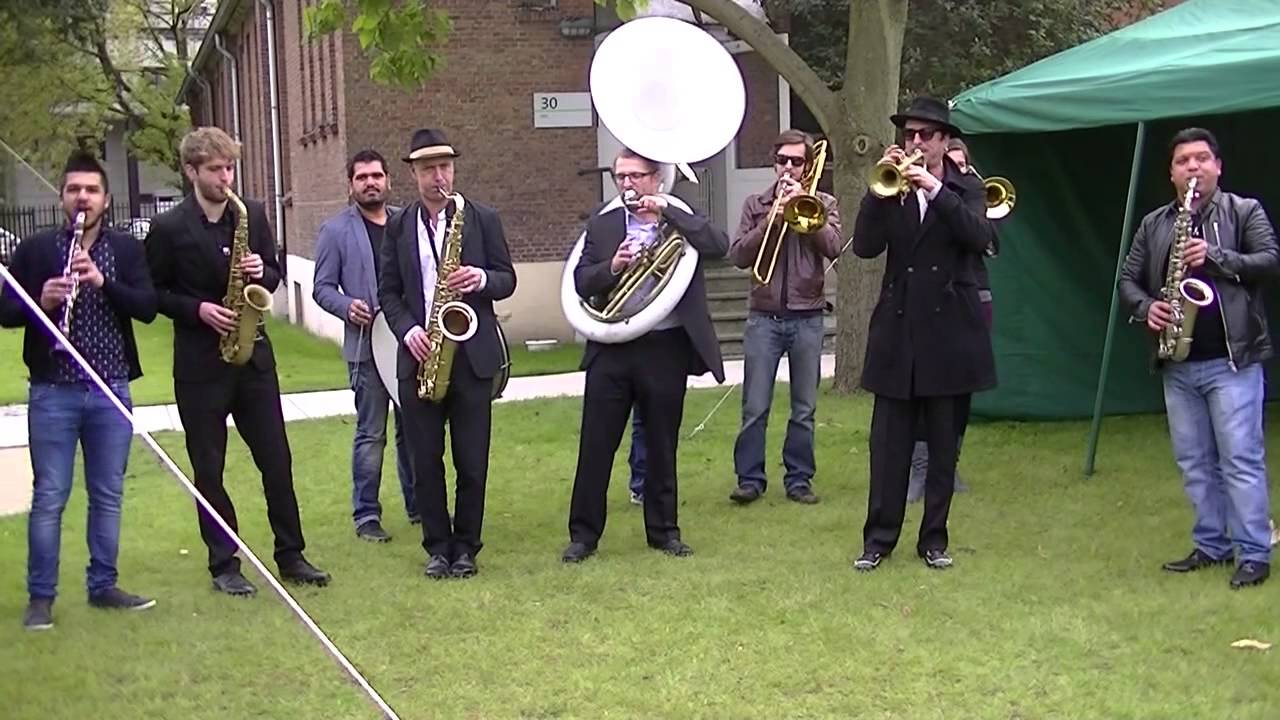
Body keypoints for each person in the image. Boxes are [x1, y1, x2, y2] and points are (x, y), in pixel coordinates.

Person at [146, 127, 330, 596]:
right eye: (215, 169)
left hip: (253, 362)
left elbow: (274, 270)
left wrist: (260, 273)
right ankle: (223, 562)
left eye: (230, 167)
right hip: (200, 365)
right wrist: (198, 309)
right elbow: (153, 294)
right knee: (209, 467)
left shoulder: (251, 215)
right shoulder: (168, 228)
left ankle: (291, 554)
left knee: (277, 460)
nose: (226, 178)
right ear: (191, 171)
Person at [1, 151, 159, 630]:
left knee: (107, 493)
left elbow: (148, 307)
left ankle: (103, 585)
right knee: (50, 494)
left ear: (106, 200)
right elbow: (4, 312)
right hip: (54, 390)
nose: (82, 198)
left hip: (109, 389)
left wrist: (104, 282)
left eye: (91, 190)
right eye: (74, 189)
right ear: (62, 197)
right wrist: (39, 304)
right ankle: (40, 598)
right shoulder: (35, 249)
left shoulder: (126, 251)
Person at [1118, 127, 1277, 589]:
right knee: (1194, 461)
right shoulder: (1155, 223)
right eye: (1184, 160)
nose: (1193, 167)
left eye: (1202, 158)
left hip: (1233, 361)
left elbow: (1269, 261)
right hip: (1178, 361)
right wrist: (1148, 308)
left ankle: (1253, 552)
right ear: (1171, 173)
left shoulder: (1244, 211)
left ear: (1218, 167)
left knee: (1240, 458)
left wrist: (1216, 257)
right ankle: (1212, 544)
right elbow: (1128, 280)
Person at [850, 96, 998, 572]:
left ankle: (933, 539)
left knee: (941, 446)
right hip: (898, 330)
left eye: (925, 136)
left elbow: (981, 239)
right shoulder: (888, 188)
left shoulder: (965, 187)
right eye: (909, 135)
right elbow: (867, 247)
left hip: (951, 330)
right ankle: (878, 540)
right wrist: (876, 193)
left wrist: (935, 188)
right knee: (888, 445)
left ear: (943, 142)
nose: (914, 143)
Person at [561, 148, 729, 563]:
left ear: (657, 178)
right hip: (612, 346)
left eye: (636, 176)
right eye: (621, 177)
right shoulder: (602, 224)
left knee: (661, 443)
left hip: (664, 346)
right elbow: (582, 281)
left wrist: (670, 212)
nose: (627, 185)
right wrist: (613, 267)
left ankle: (664, 532)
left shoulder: (680, 219)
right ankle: (583, 536)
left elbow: (719, 245)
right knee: (596, 444)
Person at [378, 128, 516, 580]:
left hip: (471, 357)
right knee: (425, 461)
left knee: (472, 460)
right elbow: (389, 292)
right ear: (413, 175)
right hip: (420, 356)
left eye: (445, 167)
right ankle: (438, 547)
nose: (440, 177)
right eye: (429, 169)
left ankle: (467, 548)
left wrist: (481, 278)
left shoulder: (482, 218)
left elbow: (506, 279)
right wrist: (408, 330)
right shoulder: (398, 225)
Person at [726, 129, 841, 506]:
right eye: (782, 161)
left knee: (804, 408)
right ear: (774, 164)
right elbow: (739, 255)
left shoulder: (822, 201)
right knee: (755, 405)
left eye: (796, 161)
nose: (788, 168)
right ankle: (750, 480)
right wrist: (772, 220)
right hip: (764, 318)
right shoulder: (756, 204)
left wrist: (805, 210)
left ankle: (799, 480)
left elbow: (835, 247)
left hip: (807, 316)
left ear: (808, 166)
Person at [313, 149, 417, 542]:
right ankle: (367, 516)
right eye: (362, 177)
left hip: (409, 345)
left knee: (414, 430)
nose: (370, 182)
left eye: (376, 175)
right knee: (371, 433)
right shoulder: (335, 231)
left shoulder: (407, 223)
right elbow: (322, 287)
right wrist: (346, 306)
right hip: (366, 350)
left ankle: (418, 506)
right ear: (351, 185)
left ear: (389, 180)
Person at [905, 137, 1000, 503]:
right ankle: (920, 468)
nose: (956, 170)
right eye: (951, 163)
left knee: (961, 386)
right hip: (928, 299)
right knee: (921, 384)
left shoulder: (969, 193)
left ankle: (949, 464)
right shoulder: (917, 193)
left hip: (973, 293)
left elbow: (988, 242)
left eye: (961, 166)